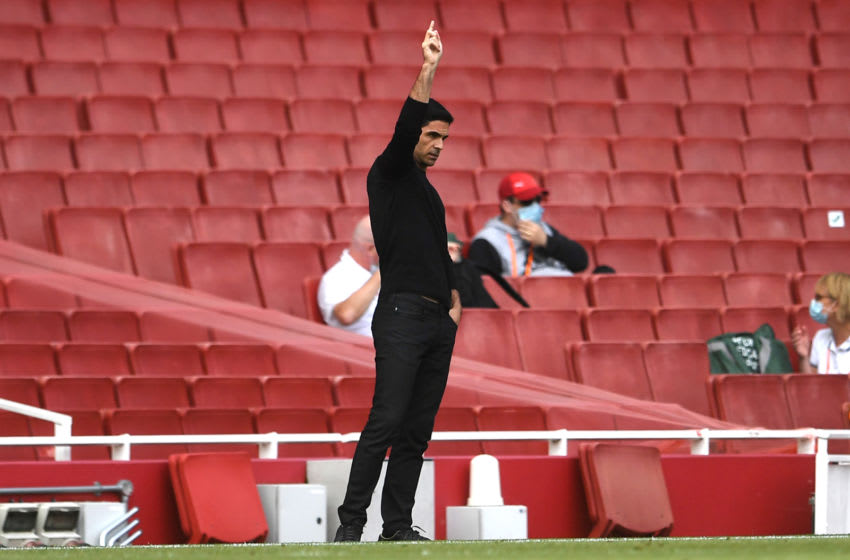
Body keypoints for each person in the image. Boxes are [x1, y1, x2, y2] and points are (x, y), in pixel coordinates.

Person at [334, 21, 461, 543]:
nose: (436, 145)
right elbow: (405, 126)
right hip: (404, 313)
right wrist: (428, 66)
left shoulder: (428, 193)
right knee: (386, 421)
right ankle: (350, 528)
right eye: (432, 135)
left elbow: (436, 255)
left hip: (434, 319)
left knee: (415, 433)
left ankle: (397, 527)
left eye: (443, 139)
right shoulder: (388, 173)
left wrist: (453, 307)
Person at [468, 172, 589, 278]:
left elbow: (581, 262)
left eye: (538, 200)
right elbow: (488, 289)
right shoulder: (487, 241)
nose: (535, 207)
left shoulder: (544, 229)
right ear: (506, 206)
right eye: (526, 202)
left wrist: (546, 241)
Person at [317, 215, 380, 337]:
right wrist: (384, 272)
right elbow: (346, 315)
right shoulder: (336, 278)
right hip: (369, 350)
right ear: (371, 249)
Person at [792, 272, 850, 375]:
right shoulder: (820, 337)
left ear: (837, 304)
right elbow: (813, 385)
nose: (813, 302)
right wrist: (804, 357)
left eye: (818, 298)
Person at [447, 232, 497, 309]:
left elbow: (481, 295)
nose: (454, 251)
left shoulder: (469, 267)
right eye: (450, 248)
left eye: (457, 248)